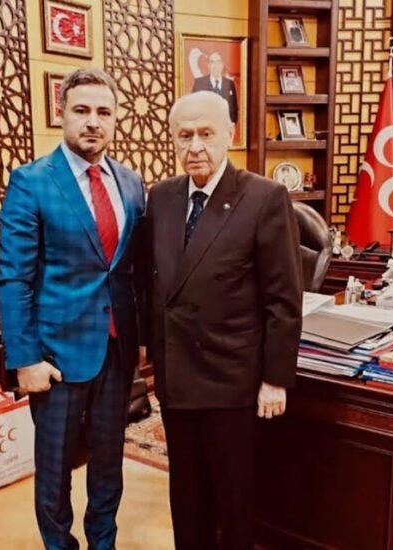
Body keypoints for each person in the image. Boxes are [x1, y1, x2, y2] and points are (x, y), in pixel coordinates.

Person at [146, 91, 302, 550]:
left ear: (229, 134)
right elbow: (154, 283)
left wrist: (275, 379)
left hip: (233, 381)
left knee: (234, 501)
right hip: (177, 379)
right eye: (184, 135)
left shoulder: (265, 197)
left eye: (206, 133)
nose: (195, 146)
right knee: (186, 495)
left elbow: (283, 299)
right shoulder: (162, 197)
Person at [0, 68, 146, 550]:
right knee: (55, 470)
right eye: (81, 110)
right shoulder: (31, 182)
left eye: (104, 111)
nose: (93, 121)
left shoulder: (131, 183)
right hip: (55, 359)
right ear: (60, 114)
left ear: (116, 118)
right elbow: (14, 279)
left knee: (108, 465)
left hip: (116, 352)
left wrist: (143, 339)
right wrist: (25, 359)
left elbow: (133, 271)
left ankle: (104, 542)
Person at [192, 51, 238, 125]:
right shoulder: (199, 84)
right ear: (208, 65)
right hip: (205, 127)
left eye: (218, 62)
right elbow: (194, 109)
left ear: (222, 65)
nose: (215, 65)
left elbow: (234, 110)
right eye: (212, 62)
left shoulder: (229, 83)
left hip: (224, 128)